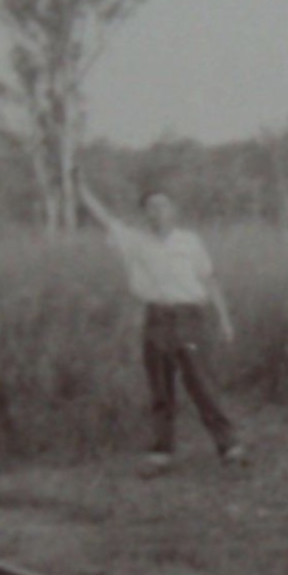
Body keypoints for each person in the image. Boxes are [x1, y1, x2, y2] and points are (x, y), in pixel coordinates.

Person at [77, 178, 246, 475]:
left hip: (189, 318)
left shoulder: (190, 241)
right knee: (160, 388)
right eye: (150, 207)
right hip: (156, 319)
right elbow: (104, 218)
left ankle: (229, 446)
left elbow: (210, 280)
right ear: (145, 214)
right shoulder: (134, 240)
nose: (157, 211)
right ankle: (162, 453)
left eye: (163, 205)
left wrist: (225, 319)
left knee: (202, 385)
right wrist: (80, 186)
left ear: (174, 210)